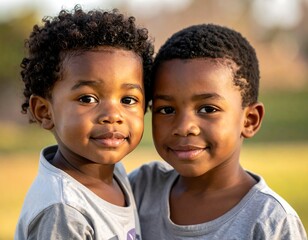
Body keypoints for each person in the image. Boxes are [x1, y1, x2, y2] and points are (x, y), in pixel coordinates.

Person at [129, 24, 307, 239]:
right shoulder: (142, 188)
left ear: (250, 120)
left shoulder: (271, 221)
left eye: (207, 109)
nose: (184, 127)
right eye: (167, 110)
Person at [15, 5, 154, 240]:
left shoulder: (114, 174)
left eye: (128, 99)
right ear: (44, 111)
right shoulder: (63, 210)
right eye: (87, 98)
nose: (113, 115)